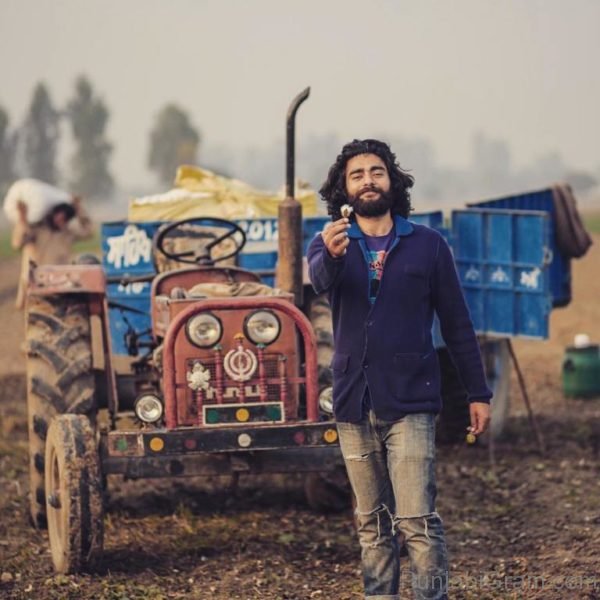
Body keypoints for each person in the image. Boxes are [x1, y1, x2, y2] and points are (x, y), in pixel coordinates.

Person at [307, 139, 492, 600]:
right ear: (344, 190)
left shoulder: (428, 245)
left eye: (376, 171)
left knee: (417, 522)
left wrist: (478, 392)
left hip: (411, 399)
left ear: (392, 181)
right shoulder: (330, 242)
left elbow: (457, 323)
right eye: (357, 174)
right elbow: (318, 283)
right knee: (371, 524)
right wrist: (329, 256)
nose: (368, 180)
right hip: (354, 402)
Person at [12, 196, 94, 309]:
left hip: (61, 281)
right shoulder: (38, 230)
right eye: (58, 216)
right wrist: (22, 218)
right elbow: (17, 243)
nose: (60, 220)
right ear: (52, 215)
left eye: (64, 218)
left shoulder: (68, 233)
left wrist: (79, 210)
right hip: (39, 281)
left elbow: (88, 232)